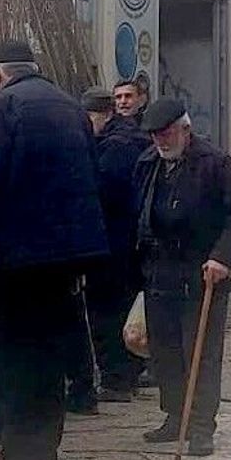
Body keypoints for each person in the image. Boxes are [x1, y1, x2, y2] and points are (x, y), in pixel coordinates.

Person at [0, 40, 108, 460]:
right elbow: (92, 175)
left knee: (13, 356)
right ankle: (44, 455)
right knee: (48, 355)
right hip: (66, 256)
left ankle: (17, 459)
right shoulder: (70, 106)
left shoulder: (2, 106)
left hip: (18, 255)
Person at [132, 98, 231, 457]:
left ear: (186, 129)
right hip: (160, 271)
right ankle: (175, 416)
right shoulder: (148, 163)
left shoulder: (215, 163)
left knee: (200, 353)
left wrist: (222, 258)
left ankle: (200, 427)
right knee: (165, 351)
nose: (160, 140)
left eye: (166, 133)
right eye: (155, 135)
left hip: (202, 272)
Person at [83, 87, 153, 402]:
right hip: (133, 239)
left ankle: (117, 378)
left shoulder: (114, 148)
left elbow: (103, 193)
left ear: (101, 115)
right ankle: (131, 370)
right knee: (125, 305)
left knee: (107, 309)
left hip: (113, 240)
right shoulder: (135, 138)